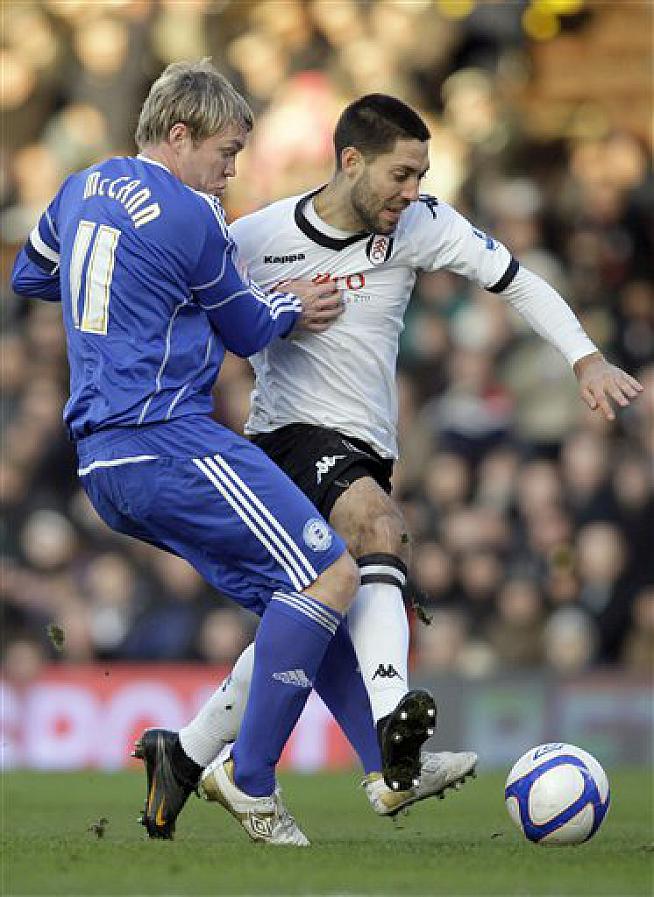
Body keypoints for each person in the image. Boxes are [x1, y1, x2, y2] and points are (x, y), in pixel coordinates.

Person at [151, 93, 643, 832]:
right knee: (381, 529)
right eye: (401, 174)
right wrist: (269, 312)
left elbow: (514, 279)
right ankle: (390, 741)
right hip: (286, 439)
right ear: (351, 161)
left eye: (421, 176)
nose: (412, 191)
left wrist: (585, 356)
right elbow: (187, 309)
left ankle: (187, 753)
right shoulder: (254, 237)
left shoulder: (420, 226)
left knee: (315, 621)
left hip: (367, 449)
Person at [9, 62, 405, 848]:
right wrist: (291, 301)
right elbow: (249, 329)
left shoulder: (80, 187)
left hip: (102, 461)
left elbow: (30, 274)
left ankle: (370, 764)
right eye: (226, 153)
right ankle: (249, 778)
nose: (231, 172)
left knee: (303, 599)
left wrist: (124, 295)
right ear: (179, 134)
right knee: (331, 574)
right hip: (164, 435)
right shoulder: (189, 212)